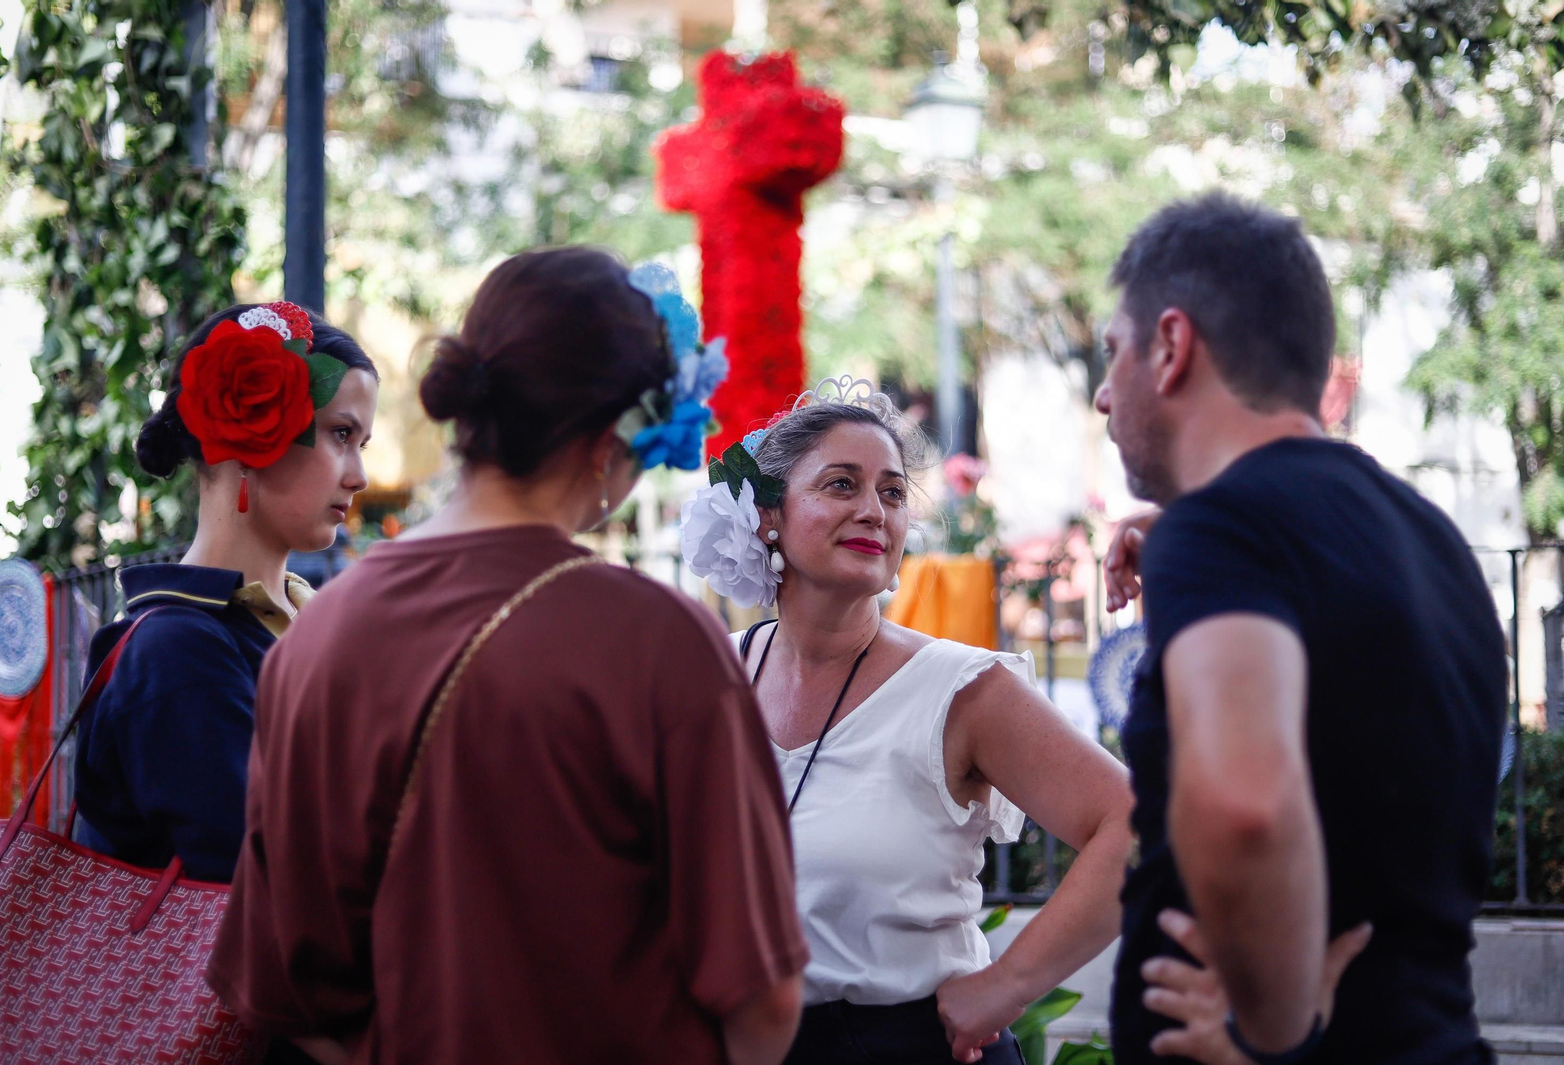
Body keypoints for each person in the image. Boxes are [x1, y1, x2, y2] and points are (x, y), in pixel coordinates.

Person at [207, 248, 807, 1065]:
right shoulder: (658, 643)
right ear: (609, 441)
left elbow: (285, 986)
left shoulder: (318, 634)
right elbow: (762, 998)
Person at [1093, 193, 1508, 1065]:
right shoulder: (1428, 539)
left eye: (1112, 352)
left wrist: (1270, 1037)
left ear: (1170, 347)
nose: (1102, 393)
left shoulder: (1228, 528)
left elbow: (1246, 804)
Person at [680, 380, 1134, 1065]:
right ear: (767, 514)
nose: (873, 511)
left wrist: (1006, 986)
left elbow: (1133, 822)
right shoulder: (718, 678)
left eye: (892, 493)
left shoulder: (961, 690)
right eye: (841, 484)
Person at [74, 302, 378, 883]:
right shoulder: (175, 651)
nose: (359, 473)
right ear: (251, 431)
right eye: (341, 434)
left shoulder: (307, 617)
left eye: (361, 440)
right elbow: (274, 883)